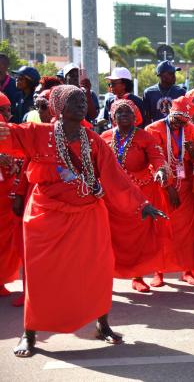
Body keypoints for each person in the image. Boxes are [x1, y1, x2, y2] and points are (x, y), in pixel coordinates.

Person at [0, 85, 165, 358]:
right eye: (74, 100)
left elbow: (115, 177)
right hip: (46, 216)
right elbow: (7, 133)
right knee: (41, 276)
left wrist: (142, 204)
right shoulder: (37, 134)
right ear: (60, 108)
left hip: (89, 214)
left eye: (83, 99)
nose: (82, 103)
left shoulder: (94, 140)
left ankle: (102, 324)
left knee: (97, 270)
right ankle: (29, 333)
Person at [100, 100, 172, 293]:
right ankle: (108, 274)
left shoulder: (145, 137)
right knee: (111, 237)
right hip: (113, 196)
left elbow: (157, 157)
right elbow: (95, 161)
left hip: (141, 194)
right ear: (113, 116)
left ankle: (138, 276)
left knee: (139, 238)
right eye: (119, 112)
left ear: (136, 116)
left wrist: (161, 171)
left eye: (129, 112)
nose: (124, 115)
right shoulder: (104, 137)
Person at [145, 96, 194, 287]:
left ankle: (188, 271)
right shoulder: (153, 130)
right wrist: (168, 188)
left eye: (184, 122)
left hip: (185, 185)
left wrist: (193, 151)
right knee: (161, 229)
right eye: (177, 120)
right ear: (170, 112)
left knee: (187, 231)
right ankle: (158, 271)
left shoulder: (190, 129)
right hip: (162, 187)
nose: (180, 125)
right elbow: (153, 163)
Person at [0, 92, 21, 297]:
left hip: (6, 194)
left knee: (6, 239)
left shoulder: (8, 130)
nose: (9, 114)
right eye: (5, 110)